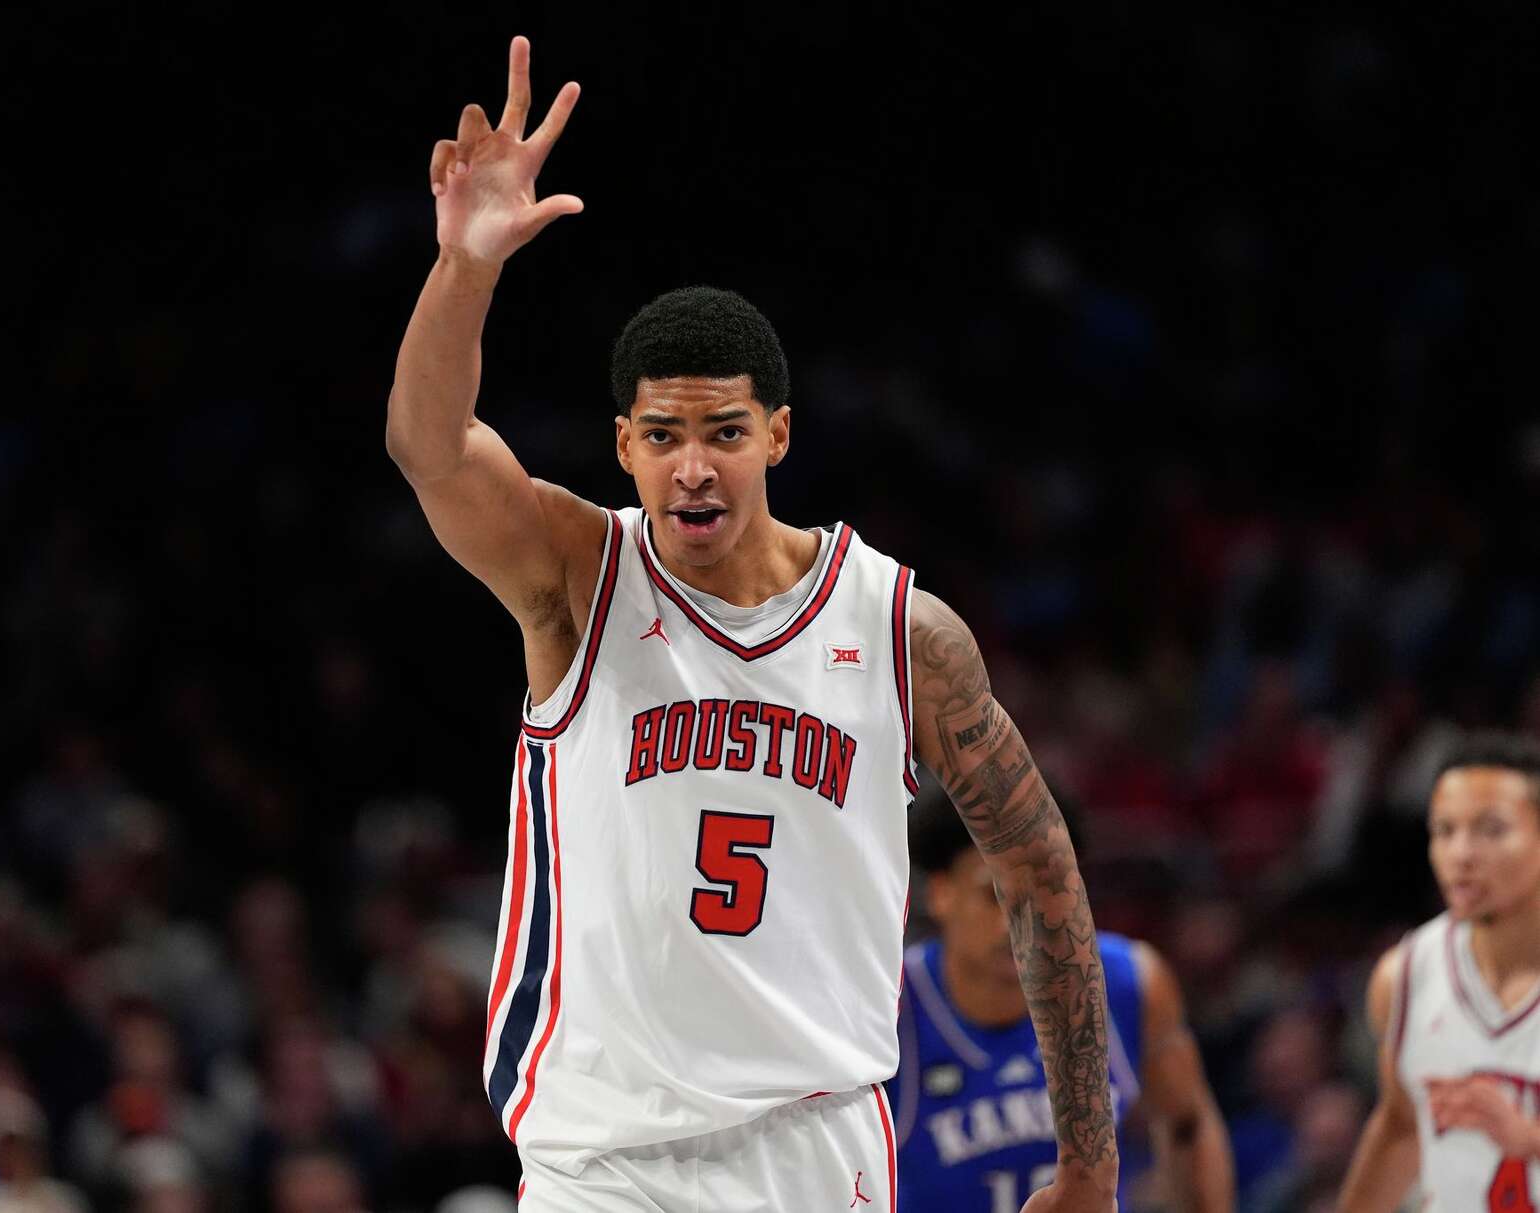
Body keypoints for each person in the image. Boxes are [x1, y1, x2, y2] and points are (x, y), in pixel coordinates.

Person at [385, 35, 1118, 1212]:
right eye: (662, 436)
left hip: (817, 1150)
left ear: (776, 436)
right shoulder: (580, 576)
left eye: (723, 432)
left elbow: (1037, 868)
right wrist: (465, 271)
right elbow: (427, 447)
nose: (692, 467)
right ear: (622, 446)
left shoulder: (898, 628)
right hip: (602, 1160)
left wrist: (1086, 1157)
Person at [888, 794, 1233, 1212]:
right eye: (992, 895)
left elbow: (1188, 1126)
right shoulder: (893, 1003)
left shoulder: (1127, 983)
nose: (1017, 922)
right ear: (941, 894)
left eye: (1037, 894)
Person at [1338, 731, 1540, 1211]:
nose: (1462, 855)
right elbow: (1401, 1127)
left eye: (1492, 830)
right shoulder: (1406, 974)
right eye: (1445, 831)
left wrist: (1527, 1138)